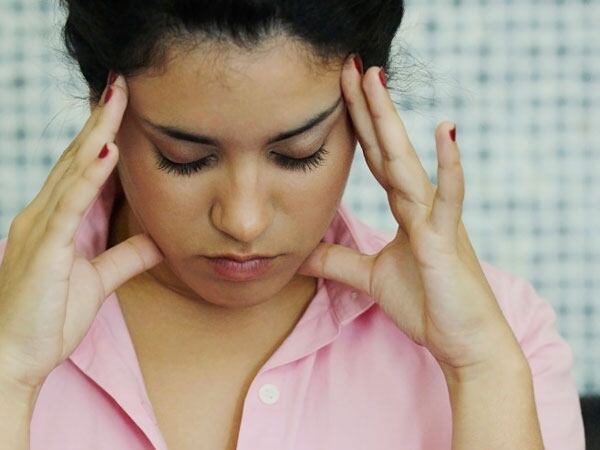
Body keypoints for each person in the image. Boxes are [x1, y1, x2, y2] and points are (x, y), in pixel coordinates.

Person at [0, 0, 585, 449]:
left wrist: (480, 370)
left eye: (299, 152)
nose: (244, 220)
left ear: (364, 114)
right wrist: (9, 373)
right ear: (101, 110)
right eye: (185, 158)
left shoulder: (504, 340)